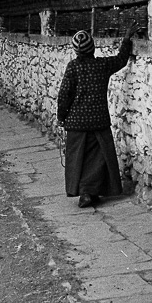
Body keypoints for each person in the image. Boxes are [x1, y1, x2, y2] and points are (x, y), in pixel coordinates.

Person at [56, 23, 138, 208]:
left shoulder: (73, 67)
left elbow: (64, 95)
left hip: (76, 124)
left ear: (76, 51)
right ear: (92, 48)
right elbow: (121, 59)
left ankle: (84, 192)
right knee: (99, 159)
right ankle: (93, 191)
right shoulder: (102, 65)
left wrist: (61, 117)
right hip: (98, 121)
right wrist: (126, 38)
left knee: (80, 160)